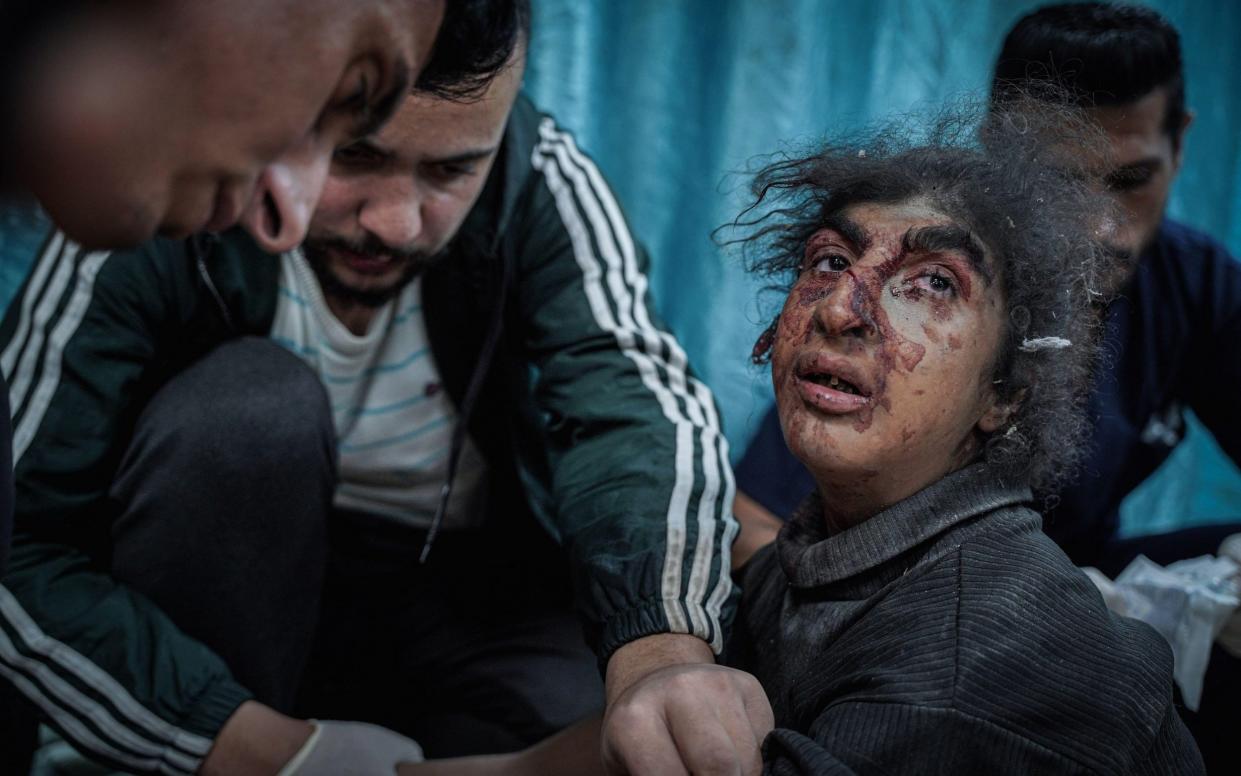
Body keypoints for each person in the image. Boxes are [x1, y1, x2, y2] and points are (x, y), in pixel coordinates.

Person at [0, 7, 771, 775]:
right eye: (354, 153)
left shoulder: (538, 178)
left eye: (449, 171)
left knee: (601, 730)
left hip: (468, 595)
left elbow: (633, 406)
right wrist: (247, 748)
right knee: (248, 410)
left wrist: (661, 652)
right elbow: (18, 545)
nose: (396, 223)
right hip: (220, 609)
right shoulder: (168, 184)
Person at [732, 4, 1241, 768]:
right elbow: (753, 522)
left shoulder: (1192, 284)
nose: (1102, 230)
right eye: (829, 263)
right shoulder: (814, 524)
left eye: (932, 284)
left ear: (1012, 390)